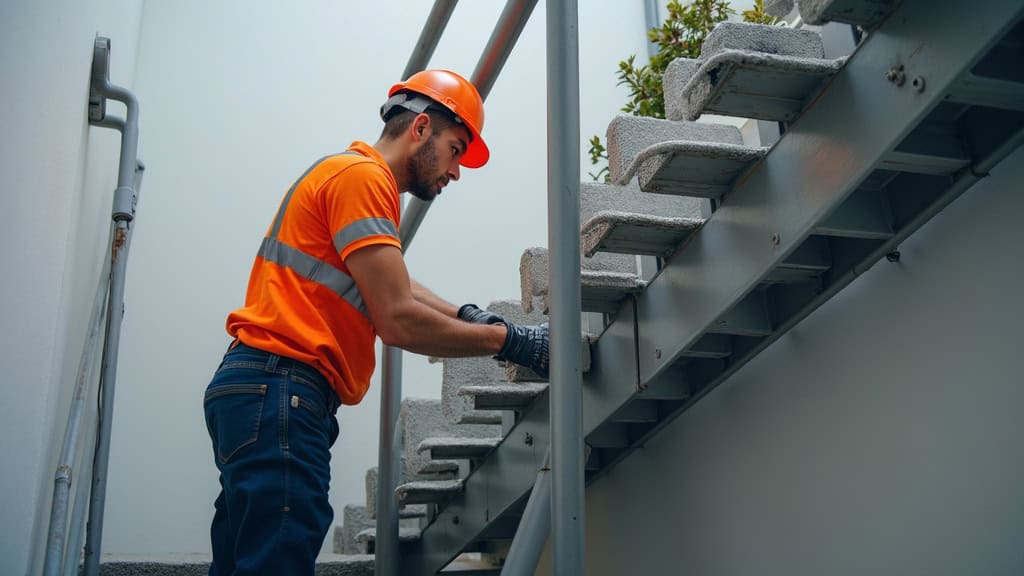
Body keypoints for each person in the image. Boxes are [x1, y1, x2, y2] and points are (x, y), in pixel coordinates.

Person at [201, 69, 549, 575]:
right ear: (421, 128)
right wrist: (511, 341)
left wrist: (466, 314)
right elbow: (398, 318)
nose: (456, 172)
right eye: (455, 150)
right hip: (281, 388)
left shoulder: (349, 174)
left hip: (260, 389)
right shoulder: (364, 179)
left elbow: (395, 284)